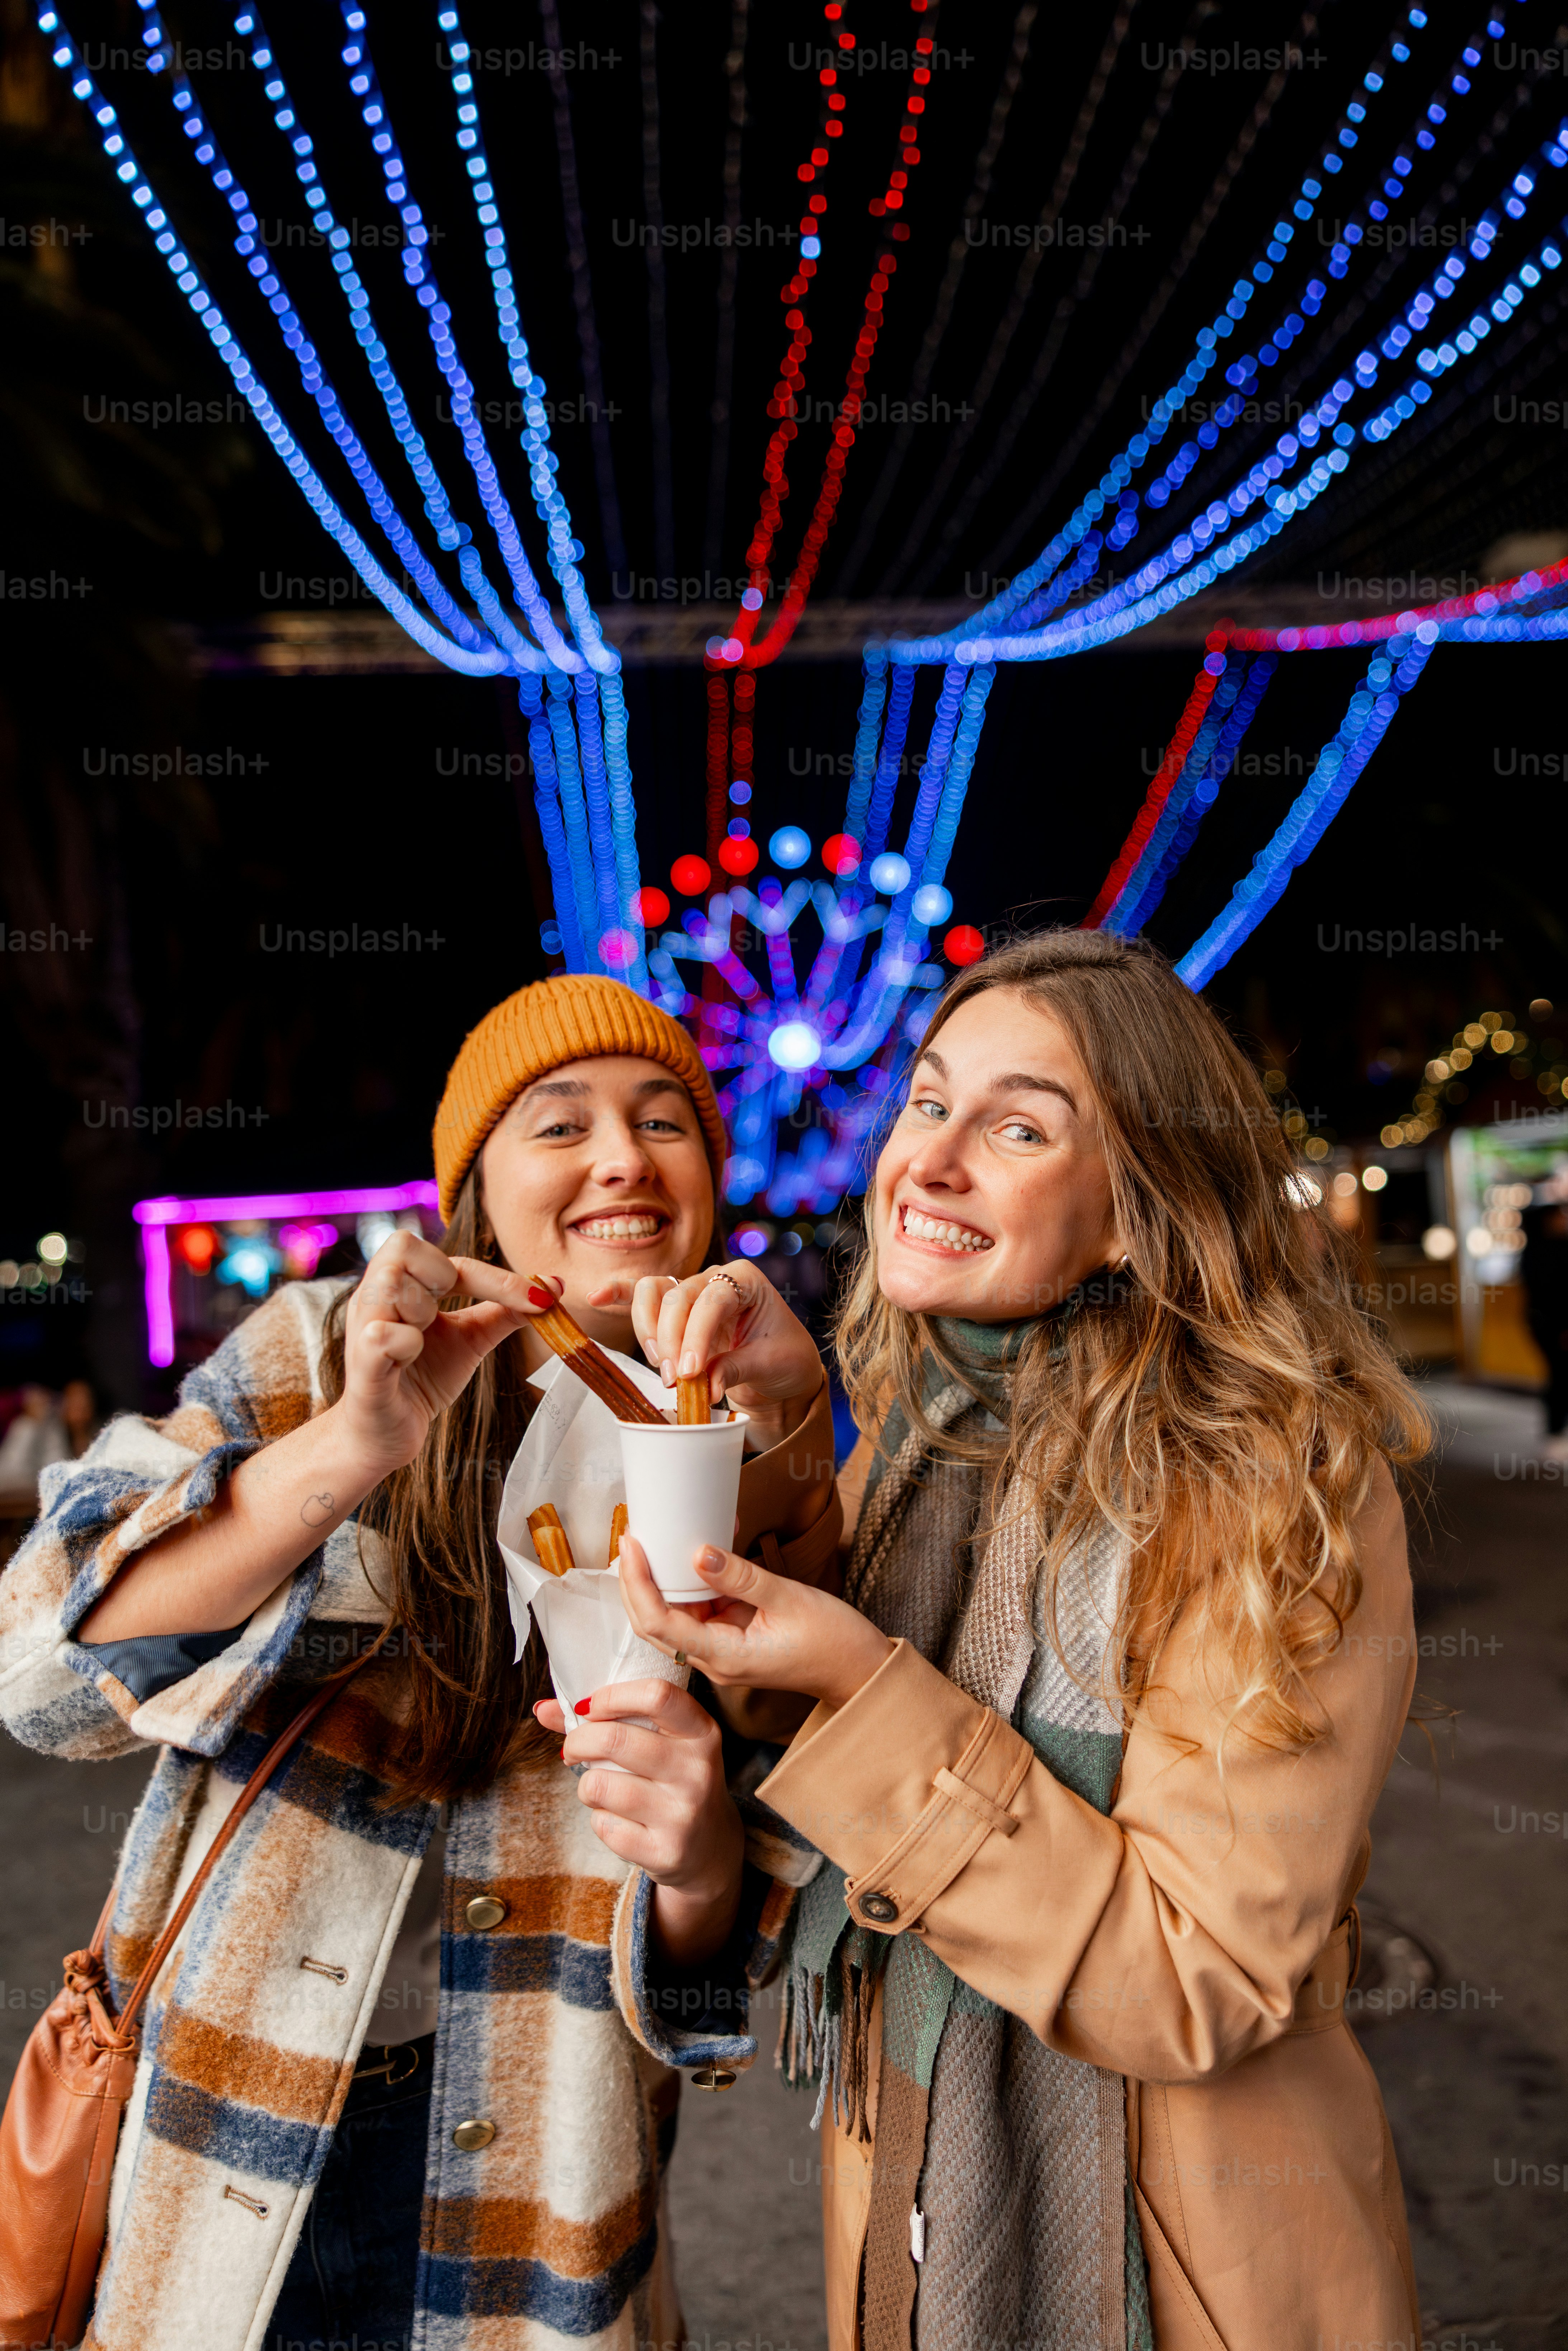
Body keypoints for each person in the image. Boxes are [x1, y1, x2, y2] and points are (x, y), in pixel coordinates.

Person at [616, 928, 1433, 2351]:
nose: (924, 1163)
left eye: (1015, 1127)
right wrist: (786, 1427)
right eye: (928, 1102)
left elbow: (1195, 1979)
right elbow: (826, 1816)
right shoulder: (935, 1438)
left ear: (1137, 1205)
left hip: (1187, 2270)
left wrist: (855, 1685)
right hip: (914, 2233)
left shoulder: (1273, 1482)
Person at [0, 973, 840, 2351]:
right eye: (559, 1124)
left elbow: (724, 1967)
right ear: (478, 1191)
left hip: (550, 2165)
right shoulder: (321, 1351)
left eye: (664, 1119)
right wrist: (351, 1445)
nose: (623, 1154)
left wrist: (694, 1855)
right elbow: (39, 1680)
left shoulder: (736, 1442)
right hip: (229, 2141)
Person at [1519, 1198, 1568, 1460]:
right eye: (1559, 1215)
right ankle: (1554, 1434)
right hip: (1552, 1325)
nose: (1564, 1219)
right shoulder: (1541, 1252)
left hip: (1549, 1323)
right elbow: (1548, 1293)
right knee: (1559, 1378)